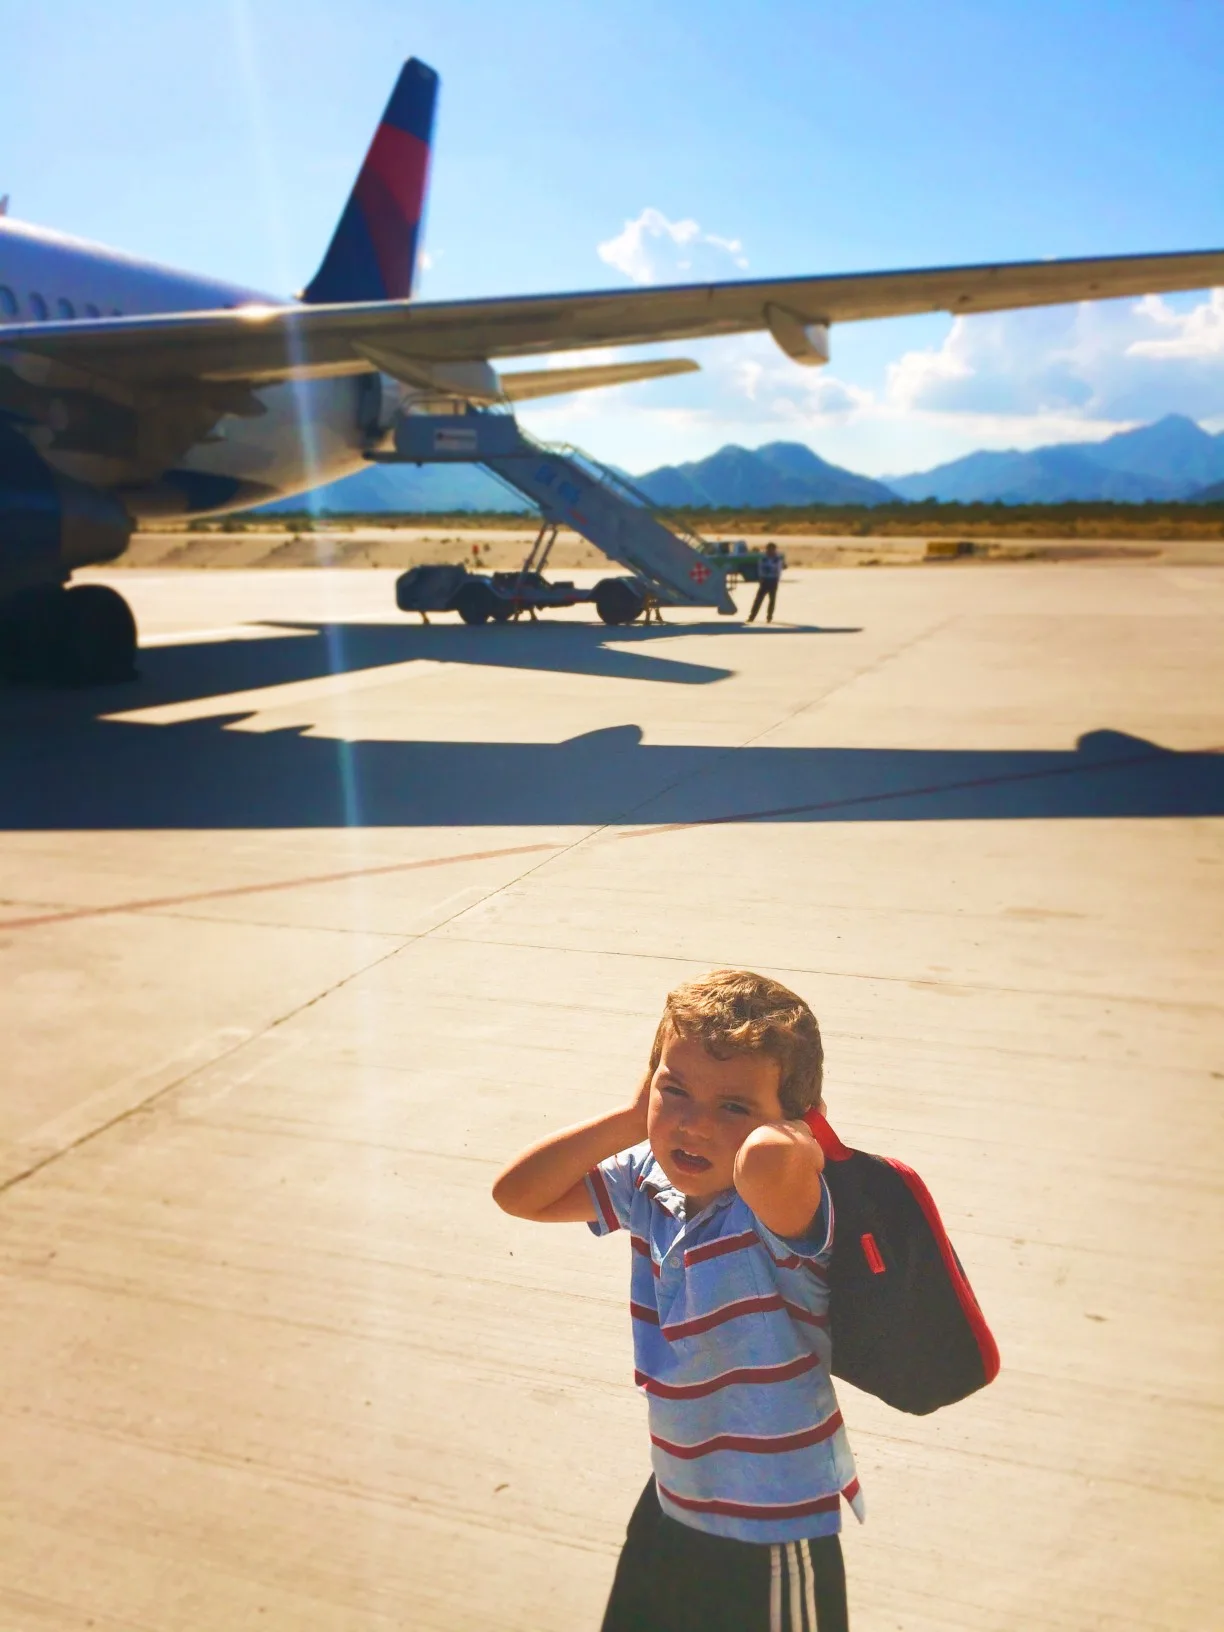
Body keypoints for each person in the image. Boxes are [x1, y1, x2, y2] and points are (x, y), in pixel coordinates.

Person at [493, 970, 859, 1632]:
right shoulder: (648, 1185)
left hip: (772, 1526)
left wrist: (795, 1130)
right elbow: (519, 1194)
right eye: (676, 1090)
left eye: (734, 1106)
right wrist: (637, 1119)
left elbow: (773, 1163)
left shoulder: (776, 1208)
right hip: (675, 1497)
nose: (694, 1125)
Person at [747, 542, 784, 623]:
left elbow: (779, 570)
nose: (770, 551)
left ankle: (769, 617)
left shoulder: (777, 559)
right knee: (758, 600)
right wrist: (761, 578)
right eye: (769, 549)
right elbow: (760, 569)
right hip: (765, 580)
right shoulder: (763, 558)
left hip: (773, 580)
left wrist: (777, 578)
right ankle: (752, 616)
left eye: (772, 550)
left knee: (772, 600)